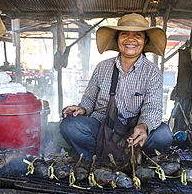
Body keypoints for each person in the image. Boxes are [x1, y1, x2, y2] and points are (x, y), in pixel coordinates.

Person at [60, 13, 173, 160]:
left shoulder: (152, 72)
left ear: (145, 41)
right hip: (102, 129)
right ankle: (95, 160)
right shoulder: (103, 67)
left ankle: (139, 160)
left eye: (138, 35)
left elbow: (153, 108)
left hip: (135, 132)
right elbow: (89, 99)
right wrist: (82, 109)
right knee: (70, 125)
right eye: (124, 34)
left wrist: (144, 126)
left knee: (163, 135)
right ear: (117, 39)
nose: (130, 39)